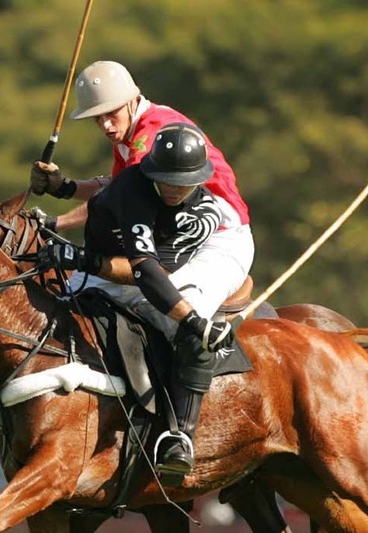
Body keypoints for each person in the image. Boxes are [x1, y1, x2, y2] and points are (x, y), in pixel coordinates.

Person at [35, 122, 235, 482]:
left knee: (195, 336)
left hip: (135, 279)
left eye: (182, 180)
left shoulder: (203, 216)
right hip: (96, 268)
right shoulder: (131, 186)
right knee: (38, 318)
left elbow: (148, 275)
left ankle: (179, 439)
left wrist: (194, 322)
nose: (173, 187)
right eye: (166, 178)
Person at [29, 60, 254, 328]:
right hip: (169, 232)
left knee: (174, 320)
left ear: (133, 100)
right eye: (97, 118)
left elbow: (126, 199)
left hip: (217, 238)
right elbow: (114, 187)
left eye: (111, 114)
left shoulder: (151, 133)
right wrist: (65, 187)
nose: (106, 126)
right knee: (67, 302)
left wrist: (57, 223)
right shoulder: (127, 134)